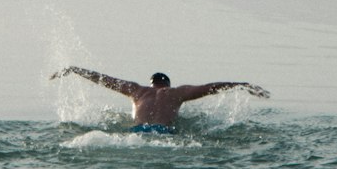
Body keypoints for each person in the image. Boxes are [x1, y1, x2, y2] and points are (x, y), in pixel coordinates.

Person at [49, 66, 270, 132]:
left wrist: (76, 70)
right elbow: (211, 87)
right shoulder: (177, 93)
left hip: (136, 134)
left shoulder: (136, 90)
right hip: (165, 135)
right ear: (168, 85)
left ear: (151, 83)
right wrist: (243, 85)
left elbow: (105, 80)